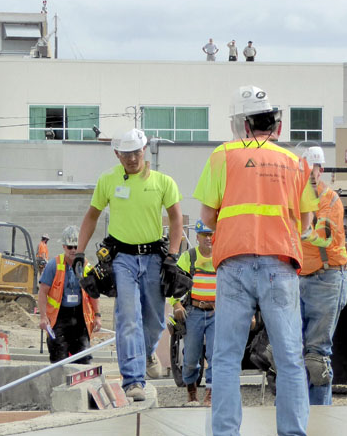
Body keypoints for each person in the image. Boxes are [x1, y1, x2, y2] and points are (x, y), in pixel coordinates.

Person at [194, 85, 318, 436]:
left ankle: (225, 432)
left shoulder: (223, 156)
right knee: (289, 357)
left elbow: (207, 216)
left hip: (234, 263)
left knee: (226, 358)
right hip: (280, 264)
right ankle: (292, 432)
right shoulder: (296, 162)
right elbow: (307, 223)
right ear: (275, 124)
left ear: (244, 124)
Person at [75, 128, 184, 402]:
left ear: (144, 150)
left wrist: (172, 256)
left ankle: (145, 353)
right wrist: (79, 251)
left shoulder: (163, 182)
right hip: (122, 258)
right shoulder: (108, 180)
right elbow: (92, 216)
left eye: (136, 152)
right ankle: (133, 380)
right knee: (128, 317)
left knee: (156, 321)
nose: (132, 159)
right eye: (126, 154)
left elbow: (176, 219)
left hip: (154, 257)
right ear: (117, 154)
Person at [299, 146, 347, 406]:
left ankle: (319, 415)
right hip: (300, 278)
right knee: (290, 352)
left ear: (322, 170)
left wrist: (300, 230)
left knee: (317, 357)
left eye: (315, 169)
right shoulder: (295, 199)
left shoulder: (330, 201)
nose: (311, 174)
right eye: (307, 169)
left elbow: (325, 238)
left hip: (326, 278)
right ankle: (298, 410)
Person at [38, 226, 102, 363]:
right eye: (70, 247)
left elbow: (93, 294)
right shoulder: (54, 265)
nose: (73, 250)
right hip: (59, 317)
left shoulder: (86, 266)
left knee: (83, 358)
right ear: (64, 247)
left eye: (76, 247)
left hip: (80, 316)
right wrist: (43, 317)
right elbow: (43, 292)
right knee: (58, 357)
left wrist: (97, 315)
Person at [169, 219, 216, 406]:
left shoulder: (221, 255)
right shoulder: (189, 257)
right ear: (197, 237)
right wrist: (176, 305)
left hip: (216, 312)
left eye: (211, 234)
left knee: (215, 355)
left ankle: (211, 393)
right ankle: (191, 391)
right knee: (190, 357)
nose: (208, 238)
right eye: (204, 235)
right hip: (194, 312)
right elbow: (175, 282)